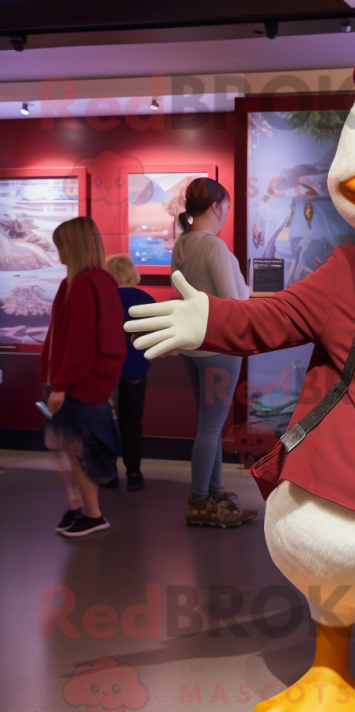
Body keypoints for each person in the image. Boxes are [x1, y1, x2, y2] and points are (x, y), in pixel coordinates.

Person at [171, 177, 256, 528]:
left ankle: (216, 493)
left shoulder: (182, 244)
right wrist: (248, 288)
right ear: (219, 206)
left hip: (191, 348)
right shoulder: (214, 247)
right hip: (219, 349)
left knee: (210, 425)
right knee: (210, 427)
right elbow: (233, 304)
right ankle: (200, 501)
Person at [40, 217, 127, 537]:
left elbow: (79, 343)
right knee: (70, 445)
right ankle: (81, 508)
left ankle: (92, 513)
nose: (57, 252)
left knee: (78, 449)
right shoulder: (86, 282)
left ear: (73, 246)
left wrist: (60, 384)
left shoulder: (83, 284)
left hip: (80, 385)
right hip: (79, 382)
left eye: (61, 245)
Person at [106, 254, 154, 491]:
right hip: (136, 369)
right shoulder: (145, 299)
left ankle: (108, 474)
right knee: (132, 422)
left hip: (105, 372)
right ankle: (134, 473)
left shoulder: (102, 299)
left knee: (105, 421)